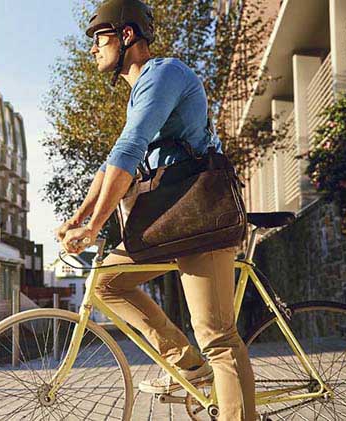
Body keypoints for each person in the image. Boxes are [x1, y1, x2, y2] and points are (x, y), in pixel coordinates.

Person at [56, 0, 256, 419]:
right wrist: (82, 213)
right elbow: (119, 156)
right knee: (109, 281)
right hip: (172, 218)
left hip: (202, 218)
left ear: (126, 34)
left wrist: (94, 226)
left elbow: (128, 151)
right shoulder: (143, 90)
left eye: (99, 38)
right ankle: (190, 367)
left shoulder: (164, 74)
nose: (93, 48)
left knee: (218, 336)